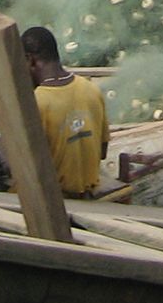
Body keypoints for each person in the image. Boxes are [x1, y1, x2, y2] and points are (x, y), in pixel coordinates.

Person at [20, 25, 109, 199]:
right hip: (89, 190)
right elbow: (103, 151)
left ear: (30, 60)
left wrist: (0, 159)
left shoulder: (37, 102)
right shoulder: (91, 89)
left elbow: (30, 167)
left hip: (56, 200)